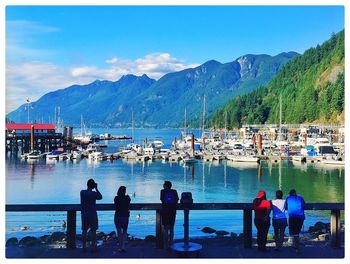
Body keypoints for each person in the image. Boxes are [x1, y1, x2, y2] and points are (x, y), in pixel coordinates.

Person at [80, 178, 103, 251]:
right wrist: (96, 189)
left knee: (84, 230)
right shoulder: (94, 194)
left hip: (84, 214)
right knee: (93, 231)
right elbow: (100, 197)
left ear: (87, 185)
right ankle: (94, 246)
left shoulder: (82, 192)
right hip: (92, 214)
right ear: (93, 186)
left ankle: (84, 246)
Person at [160, 181, 179, 250]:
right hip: (172, 212)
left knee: (165, 229)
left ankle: (166, 245)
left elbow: (162, 200)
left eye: (163, 185)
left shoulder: (162, 191)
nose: (163, 185)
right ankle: (171, 244)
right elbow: (177, 200)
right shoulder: (174, 191)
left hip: (165, 212)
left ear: (165, 186)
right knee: (171, 229)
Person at [114, 186, 131, 253]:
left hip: (117, 216)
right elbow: (128, 202)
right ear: (124, 191)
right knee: (124, 232)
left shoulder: (116, 198)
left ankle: (120, 247)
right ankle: (123, 246)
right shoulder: (127, 198)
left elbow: (116, 204)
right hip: (125, 216)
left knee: (119, 232)